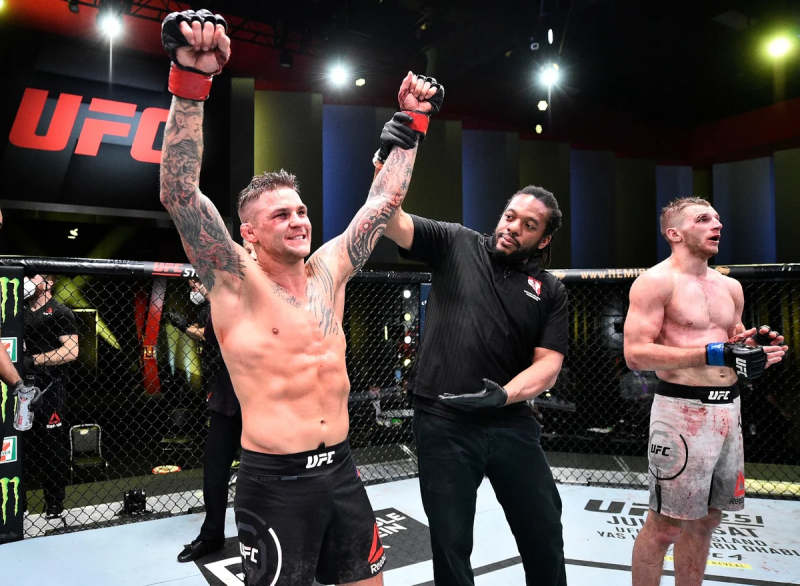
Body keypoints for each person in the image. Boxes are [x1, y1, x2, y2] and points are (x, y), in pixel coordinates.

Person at [158, 9, 442, 585]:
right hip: (275, 481)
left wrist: (413, 123)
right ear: (249, 233)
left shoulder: (329, 272)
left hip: (342, 469)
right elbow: (180, 192)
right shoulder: (233, 278)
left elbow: (382, 204)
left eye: (302, 210)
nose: (299, 220)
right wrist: (192, 79)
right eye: (281, 215)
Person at [379, 154, 569, 583]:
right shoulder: (456, 242)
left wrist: (504, 395)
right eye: (510, 216)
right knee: (450, 544)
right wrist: (393, 153)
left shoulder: (550, 290)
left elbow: (548, 366)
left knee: (544, 531)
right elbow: (389, 217)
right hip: (443, 421)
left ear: (543, 240)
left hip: (511, 422)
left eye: (528, 225)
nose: (512, 227)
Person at [623, 197, 788, 586]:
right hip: (680, 413)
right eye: (703, 219)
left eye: (717, 218)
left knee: (708, 520)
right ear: (675, 234)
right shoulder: (656, 282)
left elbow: (732, 344)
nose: (717, 225)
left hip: (728, 411)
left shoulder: (730, 286)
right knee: (665, 527)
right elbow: (635, 354)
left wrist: (754, 352)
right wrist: (713, 353)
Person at [174, 276, 244, 562]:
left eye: (197, 284)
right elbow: (211, 334)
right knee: (215, 468)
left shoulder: (264, 295)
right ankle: (212, 534)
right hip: (227, 395)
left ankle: (281, 528)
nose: (194, 290)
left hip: (261, 398)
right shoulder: (218, 304)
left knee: (270, 468)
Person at [22, 274, 79, 519]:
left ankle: (55, 504)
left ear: (49, 282)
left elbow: (71, 351)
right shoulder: (17, 311)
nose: (28, 280)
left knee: (52, 447)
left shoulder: (60, 312)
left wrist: (32, 360)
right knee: (19, 447)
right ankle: (18, 505)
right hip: (19, 387)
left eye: (33, 276)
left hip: (50, 388)